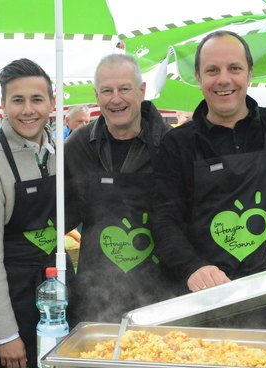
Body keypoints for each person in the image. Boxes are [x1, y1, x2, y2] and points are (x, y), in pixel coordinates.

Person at [152, 31, 266, 305]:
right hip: (210, 297)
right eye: (212, 70)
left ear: (250, 74)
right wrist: (191, 266)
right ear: (198, 78)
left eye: (235, 68)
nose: (224, 79)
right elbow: (164, 218)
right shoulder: (178, 143)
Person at [65, 54, 180, 325]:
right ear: (97, 95)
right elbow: (60, 217)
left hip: (160, 298)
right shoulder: (78, 146)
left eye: (124, 89)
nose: (116, 99)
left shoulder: (171, 144)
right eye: (107, 91)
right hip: (95, 298)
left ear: (141, 91)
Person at [0, 58, 61, 368]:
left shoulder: (59, 153)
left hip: (57, 292)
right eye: (17, 100)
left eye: (37, 99)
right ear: (3, 105)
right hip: (15, 296)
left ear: (52, 102)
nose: (28, 110)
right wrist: (6, 333)